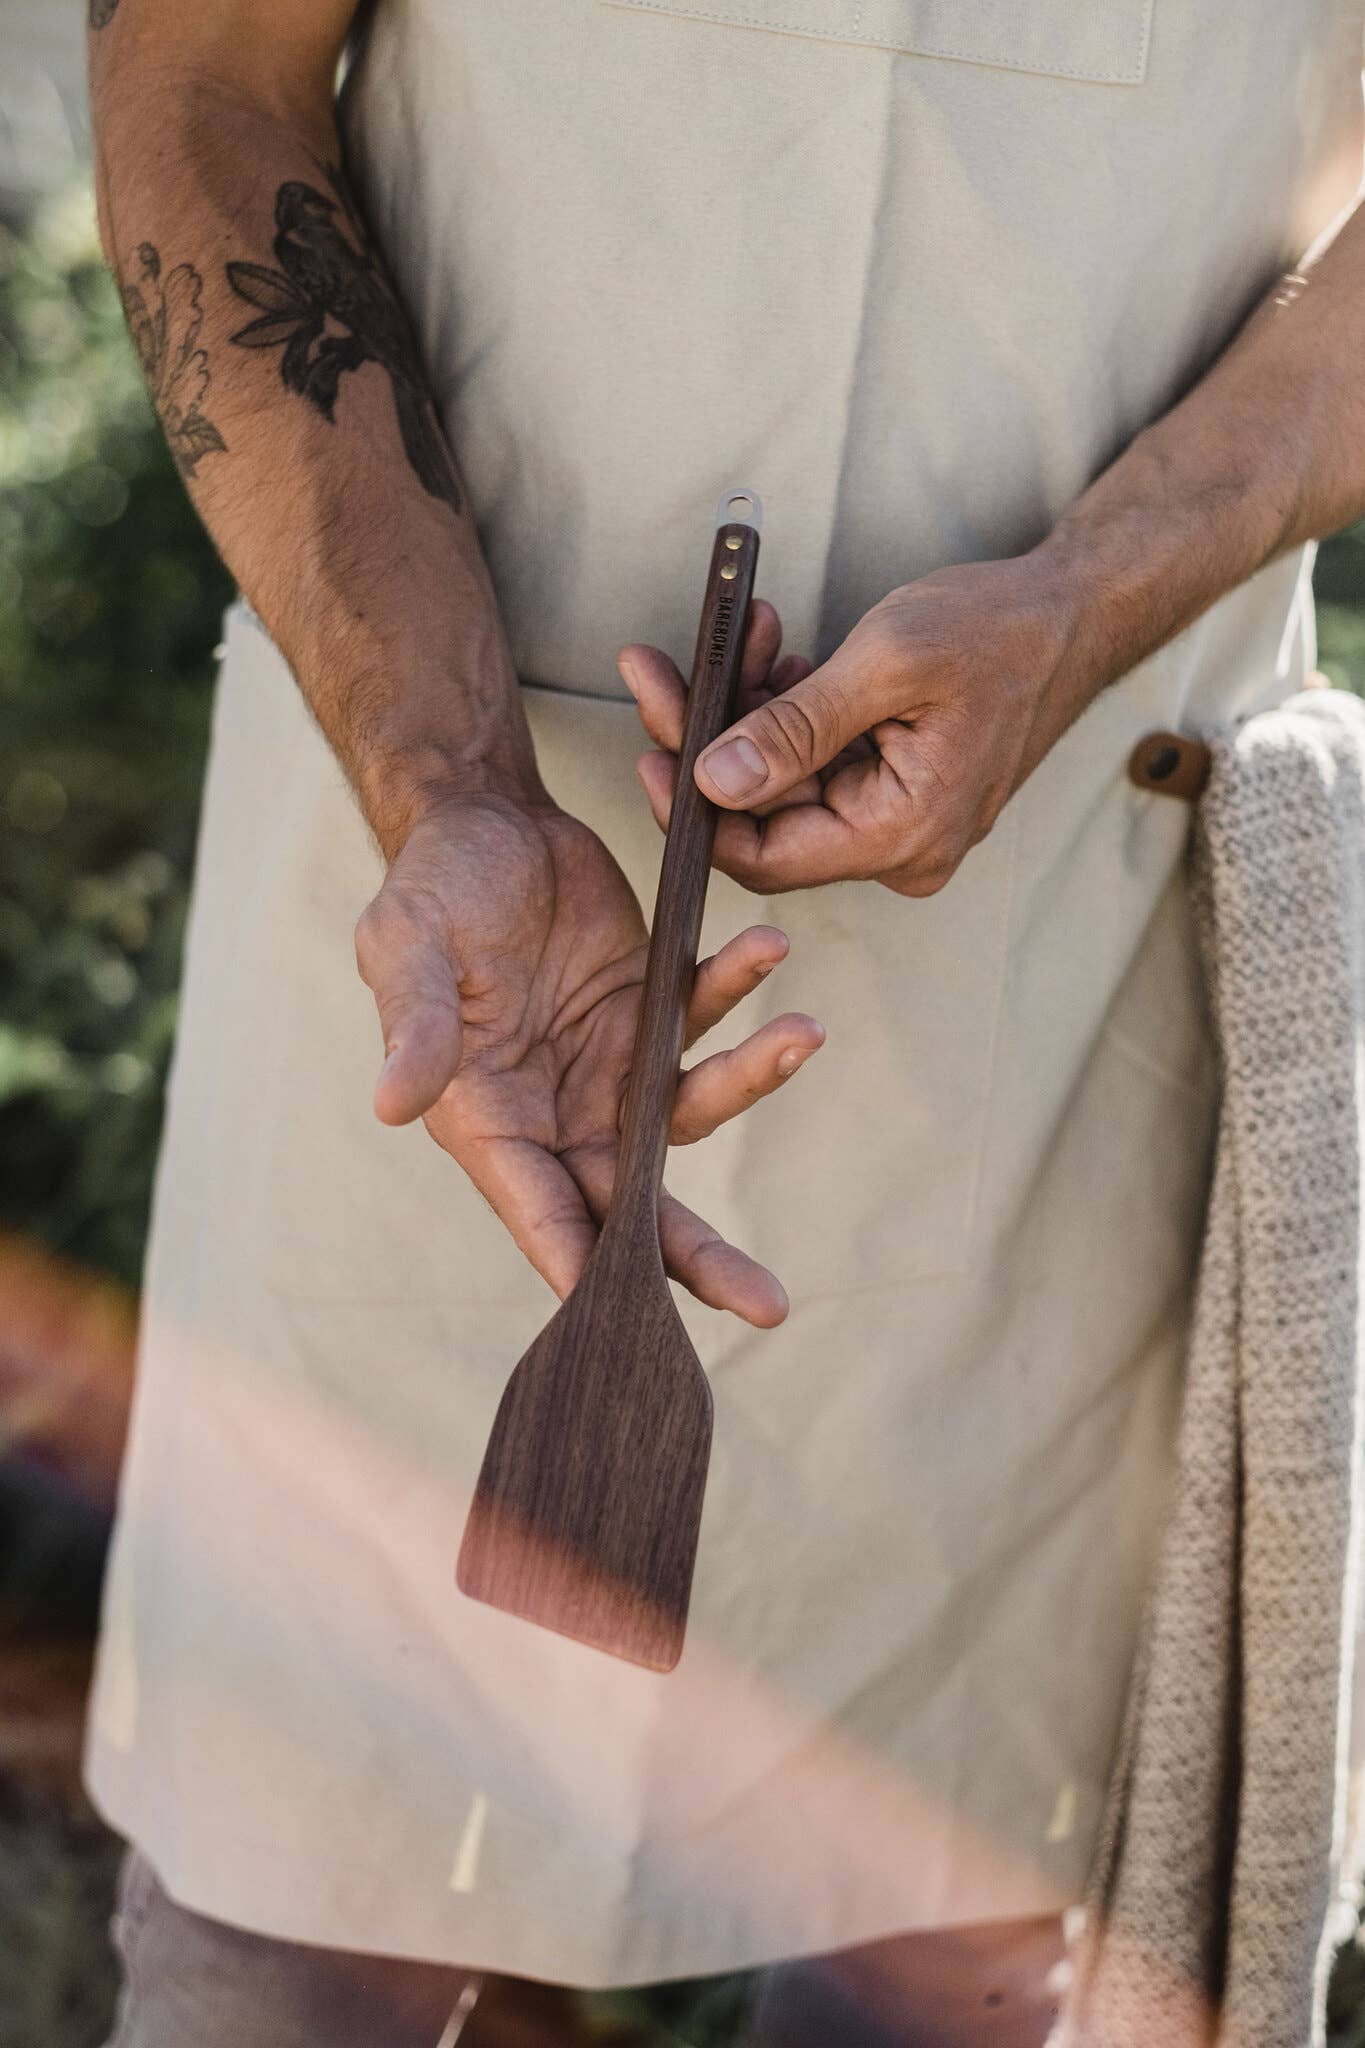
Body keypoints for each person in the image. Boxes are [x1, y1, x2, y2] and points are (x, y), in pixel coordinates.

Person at [83, 3, 1365, 2043]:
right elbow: (200, 66)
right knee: (296, 1903)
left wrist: (1094, 592)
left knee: (958, 1929)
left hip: (1059, 946)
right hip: (432, 874)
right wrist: (448, 782)